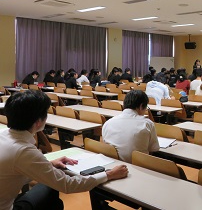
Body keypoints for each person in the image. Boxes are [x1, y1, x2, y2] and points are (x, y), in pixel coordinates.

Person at [0, 90, 128, 210]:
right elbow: (68, 185)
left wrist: (49, 164)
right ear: (38, 122)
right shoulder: (23, 151)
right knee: (51, 189)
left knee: (49, 190)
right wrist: (109, 174)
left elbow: (16, 168)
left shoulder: (4, 135)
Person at [102, 90, 160, 163]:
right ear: (141, 106)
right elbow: (153, 149)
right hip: (139, 166)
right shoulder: (147, 124)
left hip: (113, 164)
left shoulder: (108, 123)